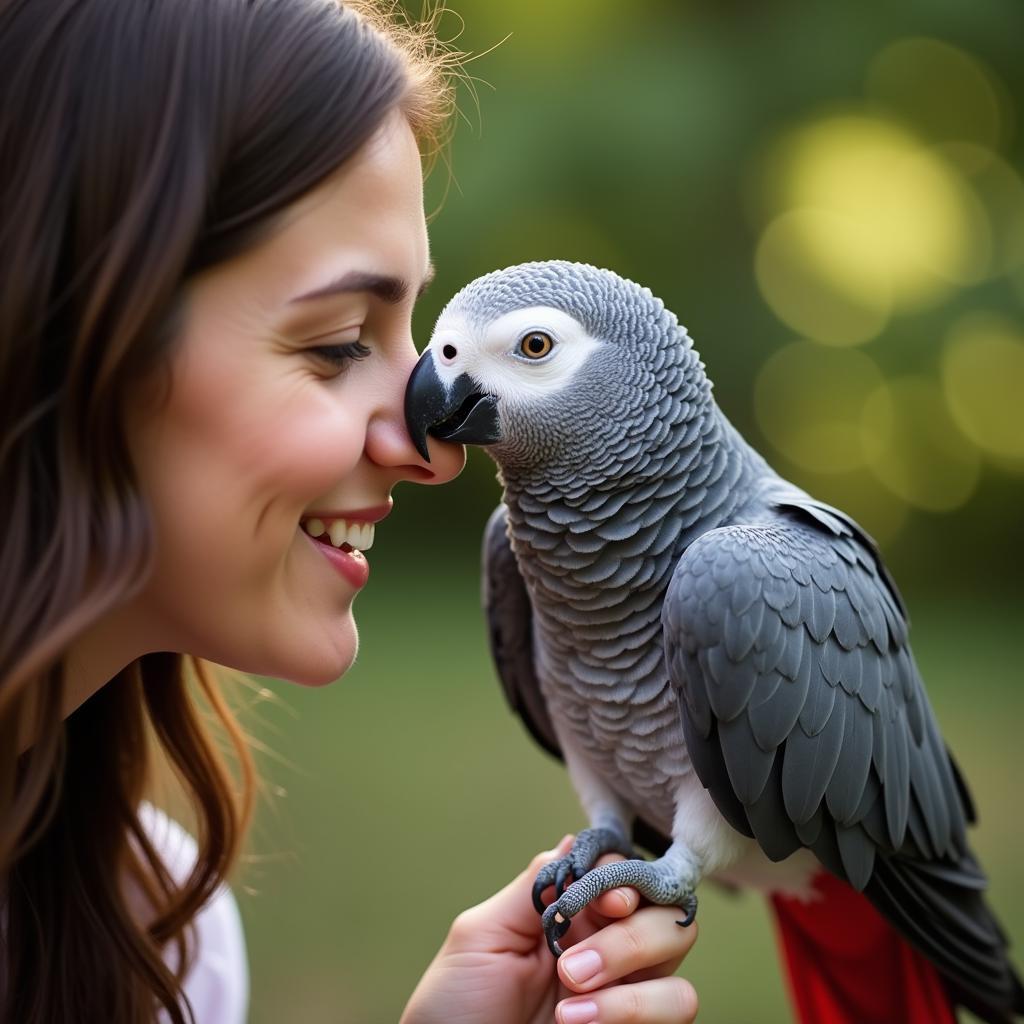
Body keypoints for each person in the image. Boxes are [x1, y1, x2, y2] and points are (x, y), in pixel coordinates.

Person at [0, 1, 700, 1022]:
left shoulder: (153, 929)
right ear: (59, 336)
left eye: (408, 333)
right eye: (335, 341)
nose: (434, 446)